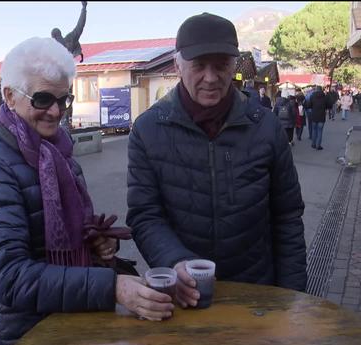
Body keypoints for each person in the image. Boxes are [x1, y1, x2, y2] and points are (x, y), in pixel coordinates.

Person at [0, 37, 174, 345]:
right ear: (10, 97)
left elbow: (69, 237)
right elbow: (8, 277)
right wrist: (111, 287)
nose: (56, 111)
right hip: (24, 340)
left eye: (64, 99)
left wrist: (98, 246)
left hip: (74, 327)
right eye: (43, 98)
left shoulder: (58, 152)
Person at [126, 13, 307, 310]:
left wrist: (293, 297)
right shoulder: (147, 130)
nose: (210, 78)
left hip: (257, 294)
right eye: (199, 65)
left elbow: (287, 217)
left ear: (234, 65)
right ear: (177, 65)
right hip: (184, 295)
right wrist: (176, 261)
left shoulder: (266, 126)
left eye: (221, 65)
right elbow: (145, 215)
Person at [304, 86, 331, 150]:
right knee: (320, 131)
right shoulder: (325, 97)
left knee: (314, 130)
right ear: (321, 90)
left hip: (314, 115)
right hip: (321, 116)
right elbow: (329, 105)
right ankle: (318, 145)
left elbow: (309, 105)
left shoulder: (312, 96)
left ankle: (313, 144)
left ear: (316, 90)